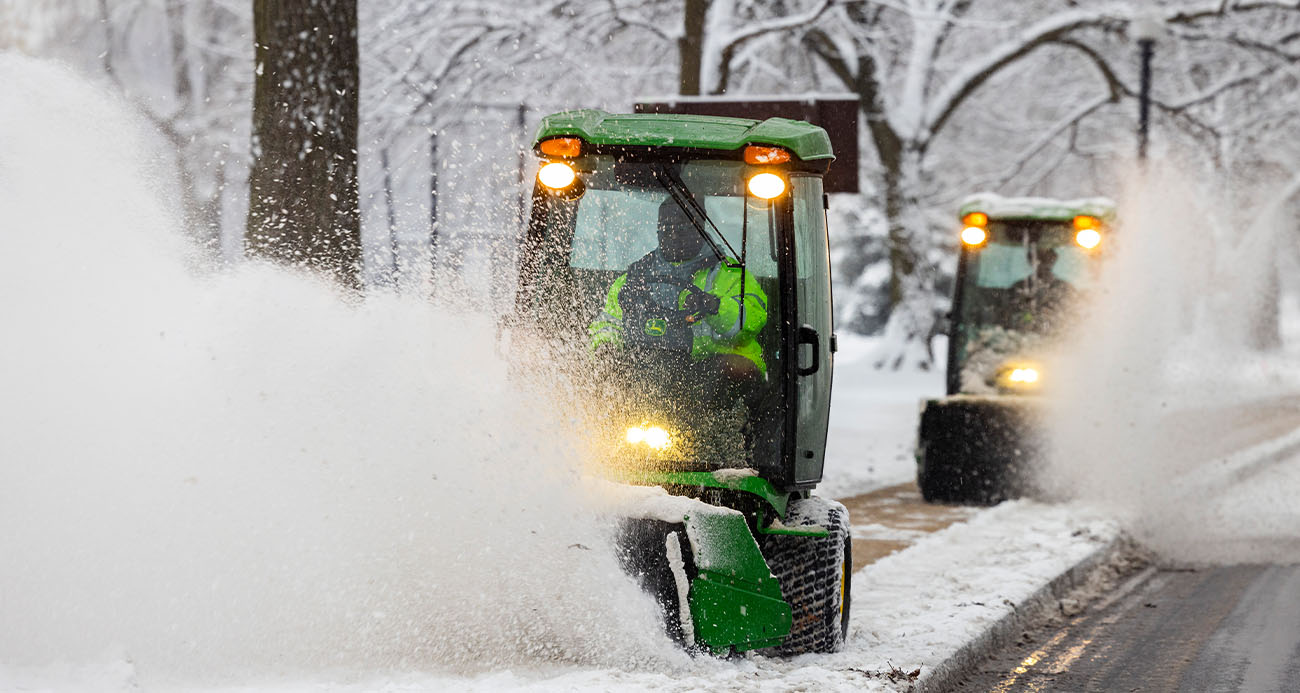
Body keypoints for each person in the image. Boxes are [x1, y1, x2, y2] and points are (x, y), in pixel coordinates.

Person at [588, 197, 768, 381]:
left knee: (737, 370)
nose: (673, 235)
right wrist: (605, 347)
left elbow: (751, 322)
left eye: (681, 228)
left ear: (700, 227)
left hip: (711, 371)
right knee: (609, 374)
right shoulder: (634, 278)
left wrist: (716, 306)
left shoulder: (731, 274)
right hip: (649, 371)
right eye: (665, 228)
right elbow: (609, 322)